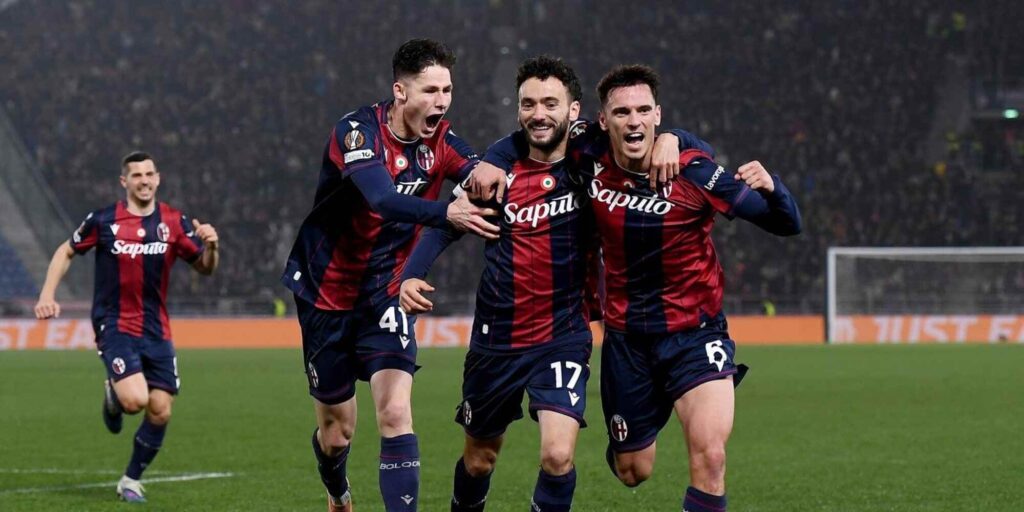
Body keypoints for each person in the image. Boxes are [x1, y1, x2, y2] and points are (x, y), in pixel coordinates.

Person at [399, 56, 697, 512]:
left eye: (550, 103)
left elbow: (647, 130)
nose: (539, 113)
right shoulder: (493, 173)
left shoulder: (595, 163)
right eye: (529, 104)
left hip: (564, 334)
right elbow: (445, 225)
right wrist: (411, 274)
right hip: (496, 338)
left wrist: (676, 137)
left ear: (574, 111)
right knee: (480, 460)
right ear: (518, 110)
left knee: (558, 455)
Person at [280, 38, 498, 512]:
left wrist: (490, 176)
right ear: (400, 91)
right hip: (326, 293)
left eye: (447, 90)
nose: (441, 100)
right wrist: (448, 213)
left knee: (397, 412)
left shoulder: (442, 140)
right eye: (429, 90)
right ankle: (338, 492)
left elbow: (480, 173)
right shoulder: (356, 132)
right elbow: (381, 199)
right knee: (337, 434)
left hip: (386, 292)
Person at [582, 65, 801, 512]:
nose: (635, 120)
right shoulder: (587, 156)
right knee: (633, 471)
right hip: (627, 342)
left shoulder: (696, 172)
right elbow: (530, 140)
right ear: (604, 122)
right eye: (622, 112)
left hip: (695, 335)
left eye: (644, 110)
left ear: (657, 115)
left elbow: (786, 223)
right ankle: (640, 426)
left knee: (711, 456)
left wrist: (774, 187)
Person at [33, 150, 219, 503]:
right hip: (114, 324)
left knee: (161, 409)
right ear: (125, 182)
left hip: (157, 330)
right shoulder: (104, 221)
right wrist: (47, 293)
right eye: (136, 175)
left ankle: (130, 480)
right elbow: (66, 250)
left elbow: (205, 268)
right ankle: (117, 398)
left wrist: (213, 245)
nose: (144, 180)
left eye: (149, 174)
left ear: (158, 178)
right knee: (136, 400)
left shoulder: (174, 222)